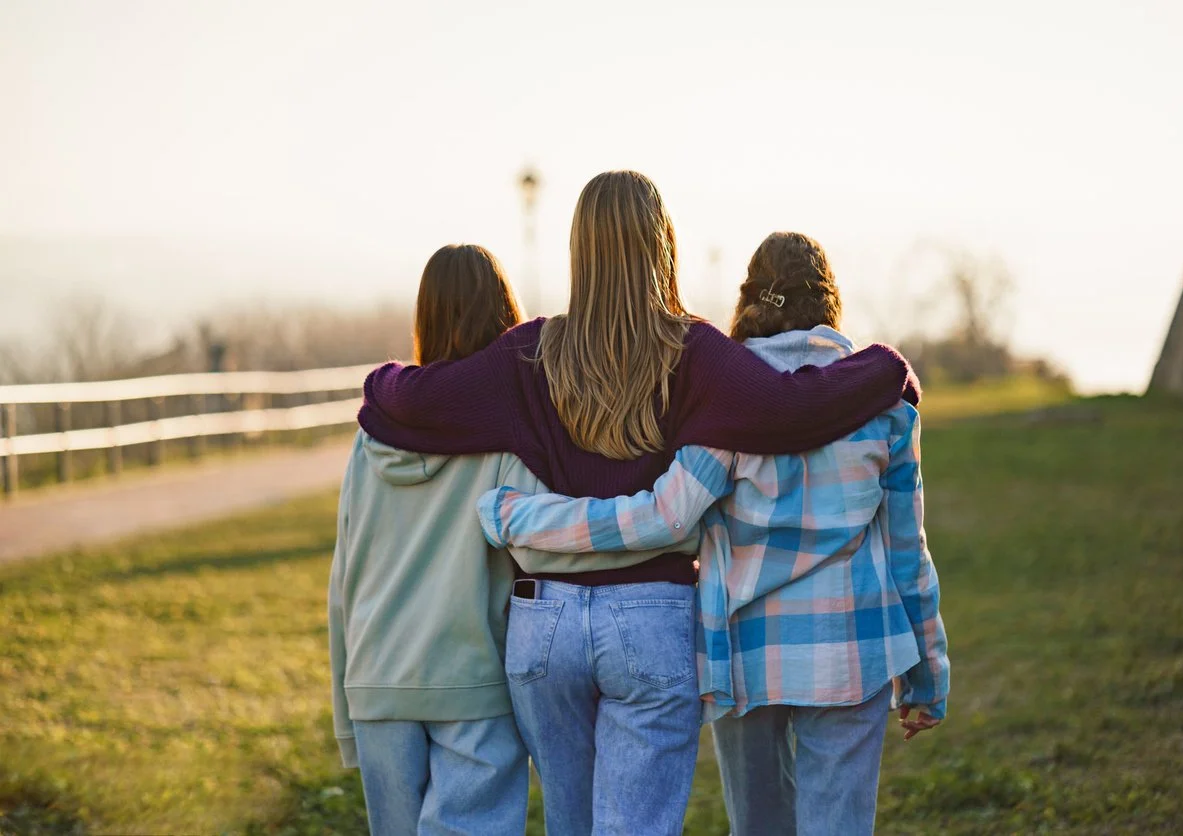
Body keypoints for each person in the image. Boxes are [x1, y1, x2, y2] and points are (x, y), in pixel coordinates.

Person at [357, 173, 921, 835]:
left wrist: (380, 379)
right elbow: (793, 408)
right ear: (664, 244)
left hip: (545, 622)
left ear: (577, 250)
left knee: (571, 822)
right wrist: (885, 365)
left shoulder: (529, 352)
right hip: (651, 617)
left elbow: (413, 399)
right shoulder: (694, 351)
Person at [478, 231, 950, 836]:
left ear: (748, 298)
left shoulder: (726, 404)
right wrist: (928, 672)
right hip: (852, 649)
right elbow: (909, 551)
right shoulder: (886, 407)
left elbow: (662, 517)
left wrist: (521, 518)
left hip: (743, 653)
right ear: (831, 302)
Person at [328, 244, 692, 836]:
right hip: (473, 687)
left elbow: (343, 580)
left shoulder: (368, 442)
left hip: (376, 688)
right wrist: (662, 535)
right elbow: (547, 549)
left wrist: (348, 714)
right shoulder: (502, 441)